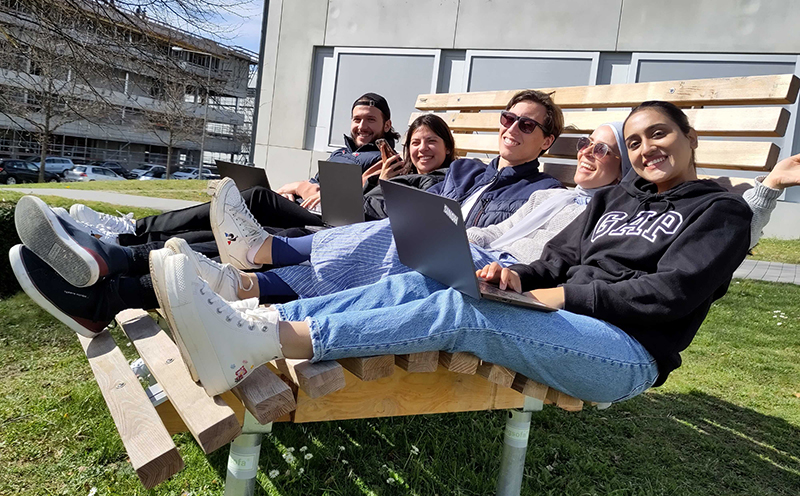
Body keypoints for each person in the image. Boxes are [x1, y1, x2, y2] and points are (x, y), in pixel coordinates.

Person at [137, 100, 763, 400]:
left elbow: (670, 294)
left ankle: (266, 343)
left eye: (660, 134)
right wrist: (516, 278)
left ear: (690, 137)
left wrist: (556, 292)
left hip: (626, 351)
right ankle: (260, 318)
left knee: (465, 316)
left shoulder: (719, 211)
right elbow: (555, 259)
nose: (648, 148)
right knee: (434, 282)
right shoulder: (612, 202)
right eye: (638, 139)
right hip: (563, 317)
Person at [214, 122, 631, 301]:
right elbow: (499, 229)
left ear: (624, 165)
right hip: (475, 253)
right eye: (584, 145)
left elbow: (559, 262)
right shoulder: (552, 195)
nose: (588, 153)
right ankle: (246, 284)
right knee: (401, 235)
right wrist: (458, 235)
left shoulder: (607, 210)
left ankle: (261, 253)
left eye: (602, 148)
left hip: (504, 275)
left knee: (396, 237)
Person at [69, 93, 401, 250]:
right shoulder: (341, 153)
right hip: (300, 209)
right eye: (357, 119)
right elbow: (308, 186)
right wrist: (295, 188)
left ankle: (133, 227)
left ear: (386, 124)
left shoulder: (385, 158)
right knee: (228, 215)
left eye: (370, 120)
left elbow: (353, 197)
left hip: (324, 224)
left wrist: (309, 190)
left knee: (251, 197)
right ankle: (126, 240)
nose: (362, 126)